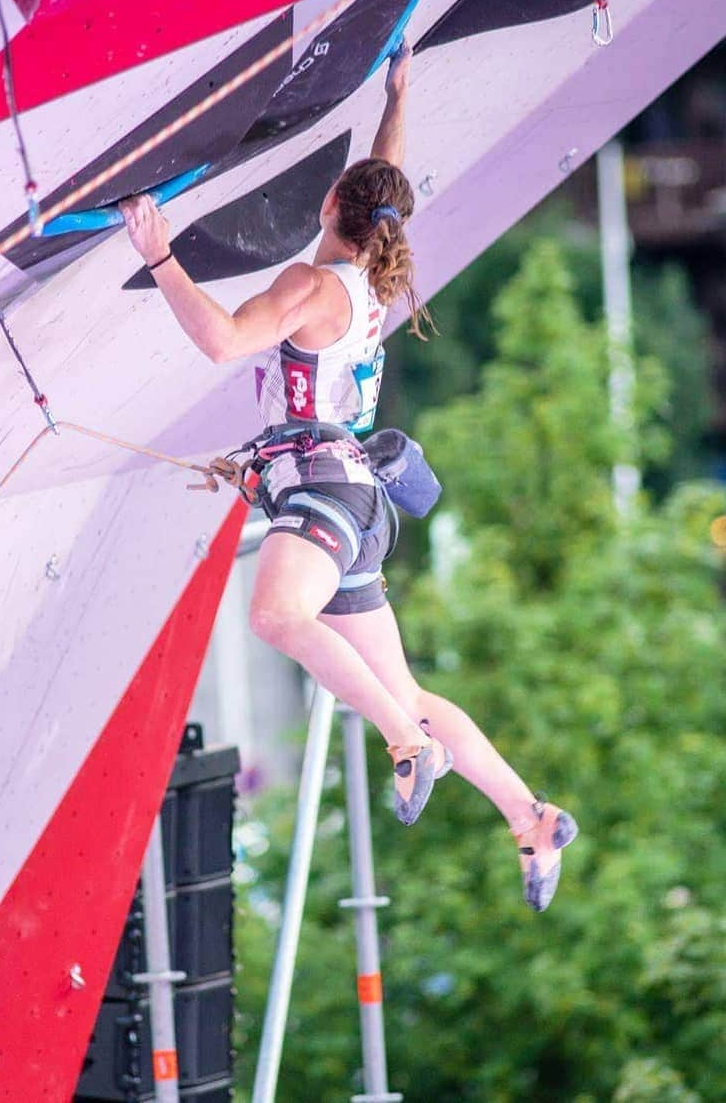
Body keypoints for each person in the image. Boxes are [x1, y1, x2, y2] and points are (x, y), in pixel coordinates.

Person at [120, 44, 577, 910]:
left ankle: (409, 743)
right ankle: (528, 812)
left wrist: (160, 253)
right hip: (355, 499)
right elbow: (387, 177)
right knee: (399, 684)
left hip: (327, 492)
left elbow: (222, 340)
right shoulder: (374, 267)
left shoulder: (314, 280)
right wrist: (398, 94)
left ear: (333, 206)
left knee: (277, 616)